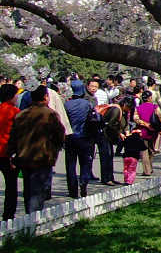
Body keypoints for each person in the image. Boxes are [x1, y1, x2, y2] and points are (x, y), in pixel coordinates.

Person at [8, 86, 65, 214]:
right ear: (45, 97)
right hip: (42, 157)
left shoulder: (21, 114)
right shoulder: (50, 114)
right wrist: (54, 150)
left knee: (28, 189)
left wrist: (11, 153)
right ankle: (34, 220)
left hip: (24, 157)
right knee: (39, 191)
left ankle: (29, 215)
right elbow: (60, 135)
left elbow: (13, 137)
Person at [63, 79, 98, 198]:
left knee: (70, 165)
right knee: (85, 163)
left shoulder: (67, 105)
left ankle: (72, 190)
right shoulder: (87, 104)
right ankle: (83, 183)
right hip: (85, 137)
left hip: (70, 137)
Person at [0, 83, 20, 220]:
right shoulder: (15, 112)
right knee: (11, 186)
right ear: (11, 96)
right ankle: (8, 215)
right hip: (8, 153)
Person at [134, 90, 161, 175]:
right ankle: (150, 168)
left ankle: (146, 170)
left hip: (142, 131)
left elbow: (136, 119)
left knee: (144, 151)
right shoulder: (155, 107)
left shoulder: (138, 108)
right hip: (153, 132)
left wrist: (144, 124)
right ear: (150, 98)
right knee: (151, 150)